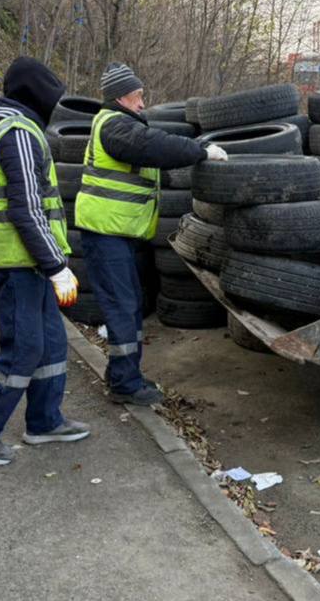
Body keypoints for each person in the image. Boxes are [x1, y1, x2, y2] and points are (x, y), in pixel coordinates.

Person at [0, 57, 91, 466]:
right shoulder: (17, 133)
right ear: (38, 96)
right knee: (24, 348)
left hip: (29, 261)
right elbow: (27, 208)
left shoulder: (21, 129)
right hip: (20, 263)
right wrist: (56, 265)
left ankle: (44, 421)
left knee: (51, 342)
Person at [75, 62, 228, 406]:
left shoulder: (122, 125)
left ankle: (124, 376)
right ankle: (126, 386)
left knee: (128, 306)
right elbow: (152, 146)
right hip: (105, 234)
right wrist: (199, 151)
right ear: (121, 96)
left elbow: (151, 154)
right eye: (138, 96)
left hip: (116, 233)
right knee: (123, 307)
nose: (143, 104)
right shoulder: (115, 125)